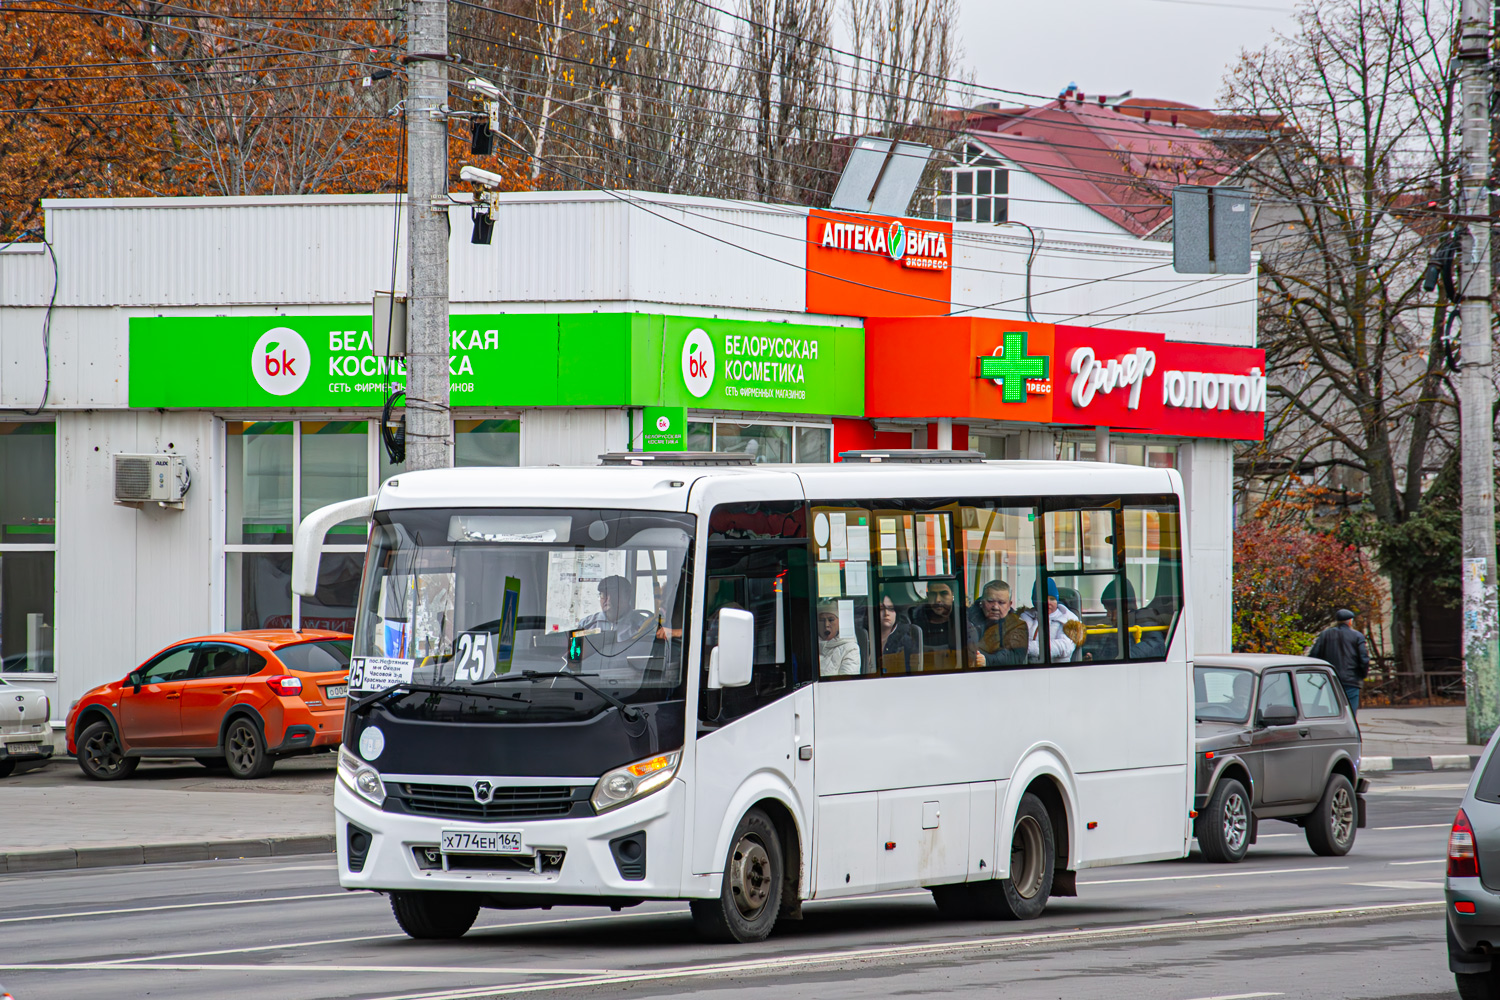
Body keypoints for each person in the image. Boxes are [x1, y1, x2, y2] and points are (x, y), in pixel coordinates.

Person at [1308, 608, 1370, 717]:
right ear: (1350, 621)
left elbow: (1314, 655)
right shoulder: (1357, 636)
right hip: (1352, 680)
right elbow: (1364, 658)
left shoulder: (1325, 635)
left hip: (1331, 679)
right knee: (1350, 713)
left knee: (1336, 711)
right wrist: (1361, 675)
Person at [968, 580, 1027, 667]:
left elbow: (1015, 657)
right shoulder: (968, 618)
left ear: (1009, 604)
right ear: (982, 601)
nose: (995, 607)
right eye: (990, 601)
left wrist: (987, 660)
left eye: (1001, 603)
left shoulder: (1018, 625)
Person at [910, 580, 978, 656]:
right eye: (933, 594)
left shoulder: (965, 619)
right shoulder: (914, 619)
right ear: (928, 596)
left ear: (952, 595)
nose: (937, 600)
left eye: (944, 594)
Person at [1022, 579, 1083, 662]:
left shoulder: (1069, 620)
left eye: (1052, 599)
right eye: (1043, 599)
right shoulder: (1026, 617)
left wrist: (1028, 648)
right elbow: (1017, 644)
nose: (1048, 603)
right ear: (1035, 601)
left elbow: (1064, 647)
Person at [875, 593, 921, 673]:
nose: (886, 613)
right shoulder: (866, 638)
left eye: (891, 609)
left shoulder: (906, 639)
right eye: (881, 609)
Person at [817, 599, 862, 677]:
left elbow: (846, 683)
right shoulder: (809, 647)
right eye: (822, 620)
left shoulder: (851, 649)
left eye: (831, 620)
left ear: (839, 623)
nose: (826, 624)